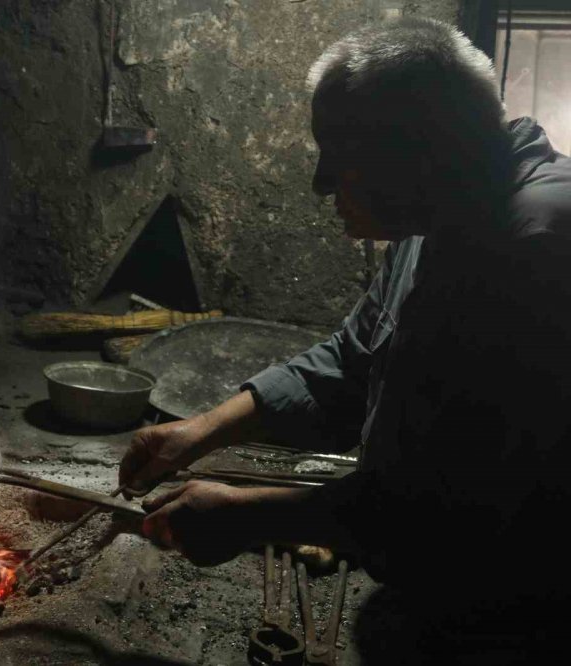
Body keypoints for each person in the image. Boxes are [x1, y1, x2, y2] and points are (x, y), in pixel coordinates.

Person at [119, 17, 571, 663]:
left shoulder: (535, 251)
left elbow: (438, 510)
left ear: (419, 154)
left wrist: (246, 518)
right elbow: (351, 360)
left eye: (341, 156)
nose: (321, 184)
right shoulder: (442, 219)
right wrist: (203, 431)